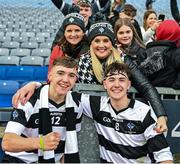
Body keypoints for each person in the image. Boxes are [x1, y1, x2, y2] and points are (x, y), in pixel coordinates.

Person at [12, 17, 167, 132]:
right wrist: (35, 85)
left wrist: (161, 115)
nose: (101, 45)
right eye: (97, 41)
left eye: (105, 40)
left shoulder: (124, 60)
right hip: (88, 118)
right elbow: (64, 83)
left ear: (111, 42)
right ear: (91, 43)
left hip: (118, 117)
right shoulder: (82, 62)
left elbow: (146, 87)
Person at [80, 61, 173, 163]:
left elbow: (163, 154)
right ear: (105, 84)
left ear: (128, 85)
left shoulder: (143, 112)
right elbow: (66, 94)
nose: (116, 85)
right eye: (111, 80)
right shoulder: (97, 105)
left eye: (121, 80)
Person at [2, 57, 83, 163]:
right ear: (50, 76)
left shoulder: (77, 104)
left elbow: (69, 145)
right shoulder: (28, 100)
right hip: (20, 160)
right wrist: (40, 143)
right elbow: (7, 142)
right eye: (60, 73)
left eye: (71, 75)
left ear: (75, 80)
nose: (65, 80)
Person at [142, 19, 180, 89]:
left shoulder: (145, 52)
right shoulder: (176, 53)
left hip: (146, 97)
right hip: (171, 98)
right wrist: (174, 89)